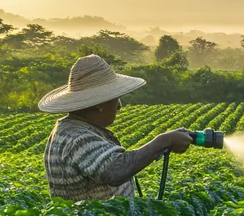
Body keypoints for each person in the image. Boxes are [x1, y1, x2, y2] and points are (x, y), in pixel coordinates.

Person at [38, 54, 193, 201]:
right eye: (115, 98)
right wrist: (162, 141)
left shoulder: (73, 129)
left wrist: (159, 147)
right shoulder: (77, 137)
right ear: (99, 104)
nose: (119, 105)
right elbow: (115, 170)